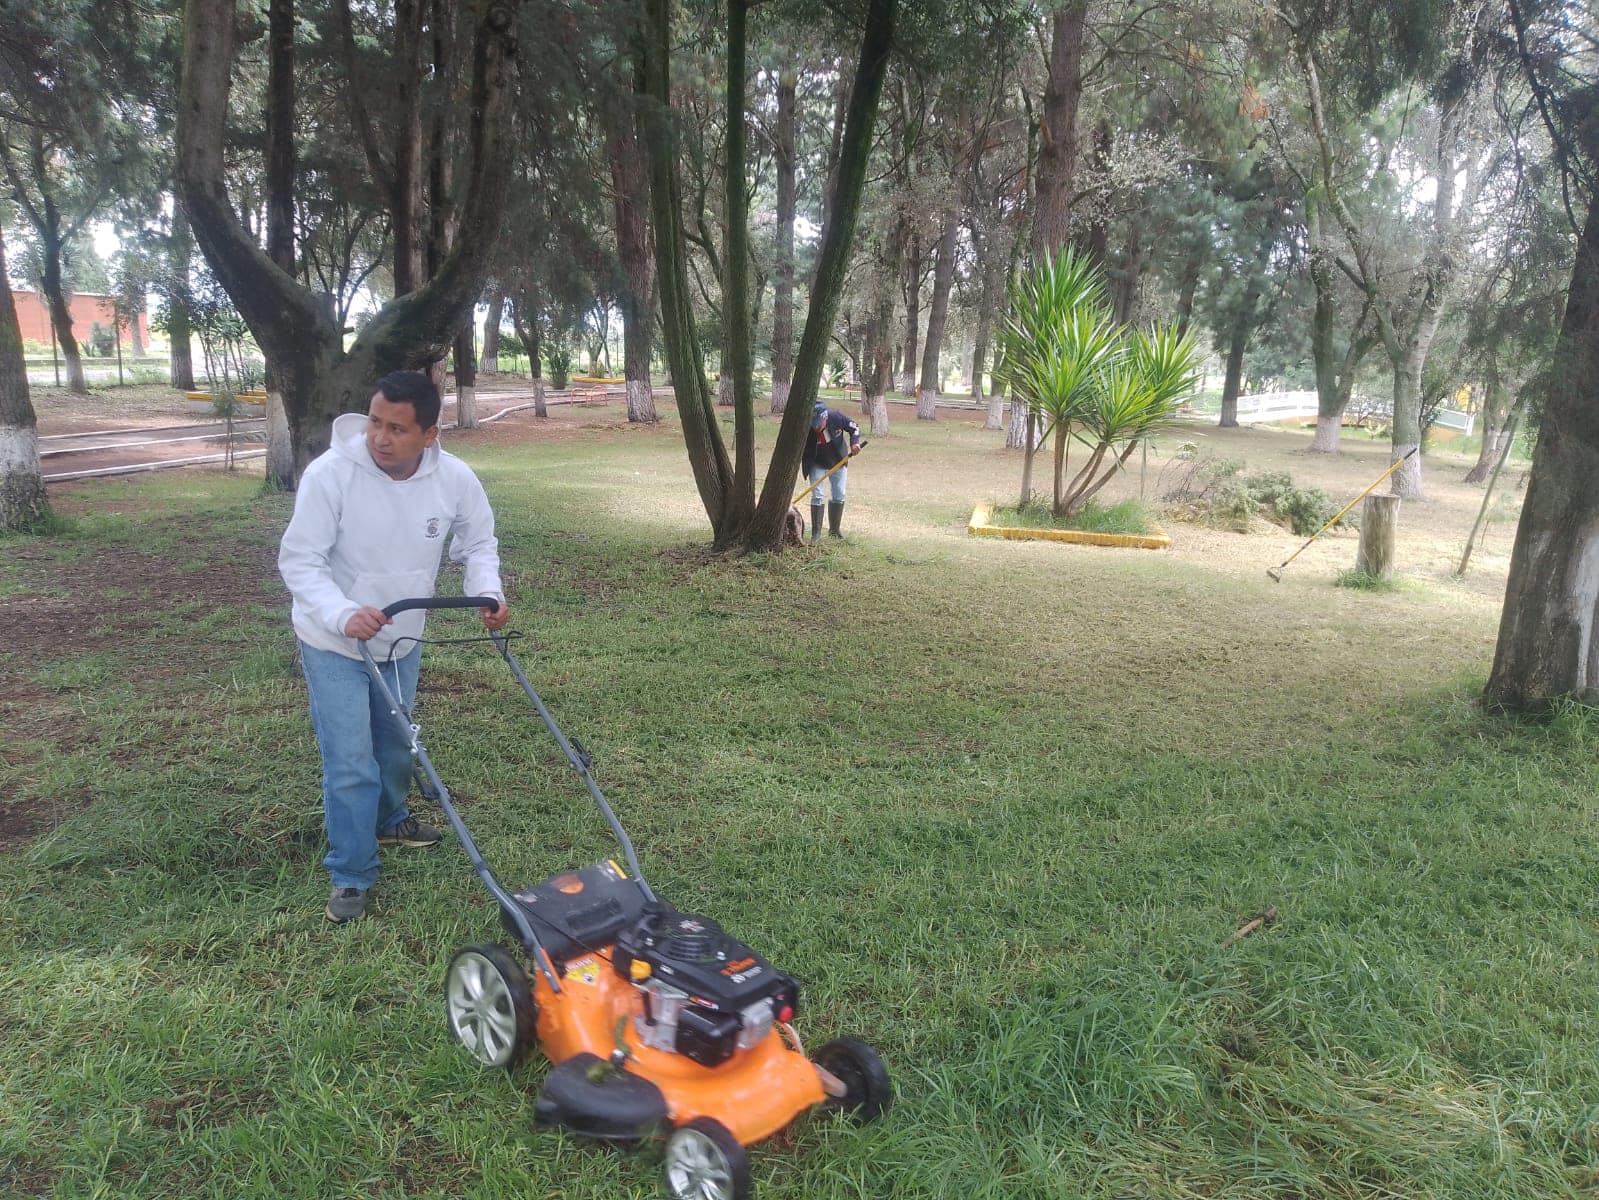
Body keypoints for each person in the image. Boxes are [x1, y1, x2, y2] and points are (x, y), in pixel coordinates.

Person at [279, 370, 510, 924]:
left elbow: (478, 541)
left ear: (429, 434)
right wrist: (340, 612)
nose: (380, 437)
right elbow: (300, 560)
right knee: (350, 761)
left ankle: (391, 818)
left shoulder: (454, 479)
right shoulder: (331, 475)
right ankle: (352, 871)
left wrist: (488, 591)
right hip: (333, 639)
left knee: (395, 743)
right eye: (376, 423)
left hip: (403, 635)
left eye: (397, 429)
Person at [802, 399, 861, 543]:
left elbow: (855, 427)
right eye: (813, 423)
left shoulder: (836, 416)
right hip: (816, 462)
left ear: (824, 417)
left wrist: (855, 443)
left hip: (838, 460)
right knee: (817, 495)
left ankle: (834, 530)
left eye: (818, 423)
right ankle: (816, 534)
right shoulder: (804, 426)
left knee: (839, 494)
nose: (816, 427)